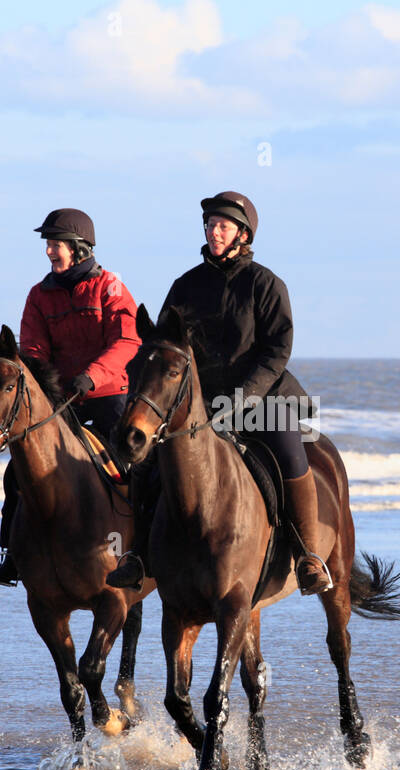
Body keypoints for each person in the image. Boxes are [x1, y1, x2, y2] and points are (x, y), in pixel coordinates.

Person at [106, 191, 331, 595]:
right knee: (147, 463)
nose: (214, 231)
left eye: (223, 225)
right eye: (210, 224)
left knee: (290, 451)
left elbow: (277, 349)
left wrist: (243, 397)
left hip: (264, 400)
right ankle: (138, 555)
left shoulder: (266, 283)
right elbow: (163, 350)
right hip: (199, 404)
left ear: (243, 234)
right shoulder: (185, 286)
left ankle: (309, 557)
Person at [0, 208, 141, 586]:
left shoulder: (111, 288)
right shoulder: (38, 295)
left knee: (134, 469)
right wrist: (50, 391)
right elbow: (34, 353)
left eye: (55, 245)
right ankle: (12, 556)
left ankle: (140, 553)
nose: (49, 252)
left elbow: (127, 341)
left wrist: (93, 376)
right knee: (16, 474)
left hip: (108, 394)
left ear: (79, 248)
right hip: (62, 400)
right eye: (48, 245)